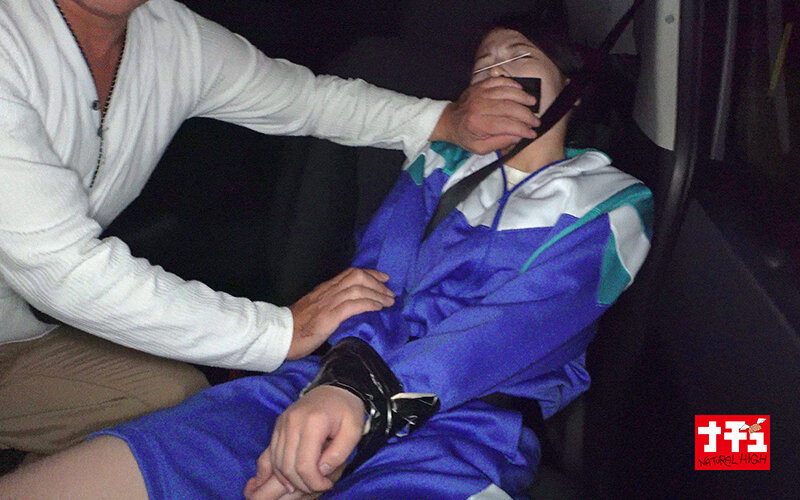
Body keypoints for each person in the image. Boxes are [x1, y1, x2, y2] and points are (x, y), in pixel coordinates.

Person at [0, 26, 653, 499]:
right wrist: (339, 381)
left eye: (518, 57)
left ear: (572, 88)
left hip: (468, 423)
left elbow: (512, 330)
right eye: (482, 65)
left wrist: (367, 396)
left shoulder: (610, 200)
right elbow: (372, 282)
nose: (495, 73)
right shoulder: (438, 168)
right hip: (324, 384)